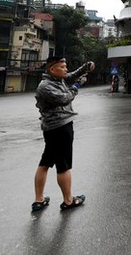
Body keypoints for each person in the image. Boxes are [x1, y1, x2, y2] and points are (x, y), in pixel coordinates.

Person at [32, 57, 95, 212]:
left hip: (53, 128)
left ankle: (39, 200)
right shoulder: (45, 87)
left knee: (45, 162)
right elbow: (65, 98)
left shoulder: (57, 80)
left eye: (66, 66)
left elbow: (70, 76)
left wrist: (85, 67)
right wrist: (77, 85)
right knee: (63, 165)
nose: (66, 69)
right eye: (62, 67)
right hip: (60, 128)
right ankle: (68, 200)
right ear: (52, 69)